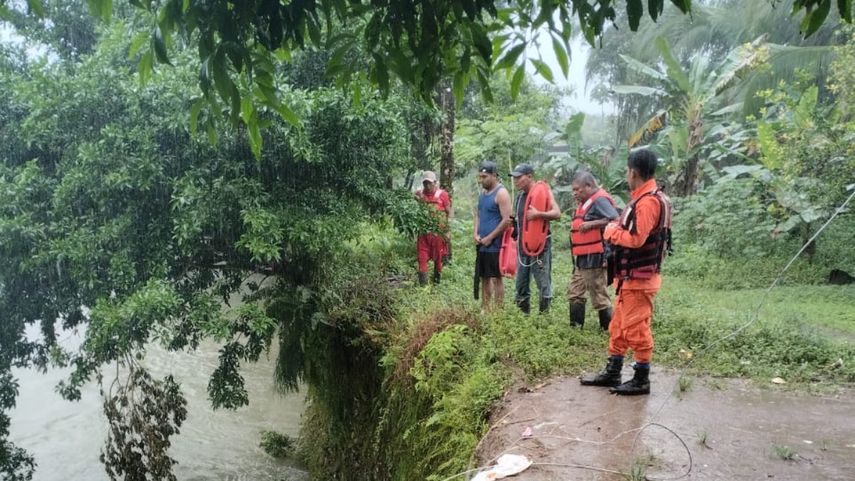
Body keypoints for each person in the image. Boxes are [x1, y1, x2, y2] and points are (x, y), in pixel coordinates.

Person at [580, 149, 672, 396]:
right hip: (629, 278)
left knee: (637, 329)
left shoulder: (649, 201)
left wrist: (611, 232)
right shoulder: (645, 197)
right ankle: (613, 370)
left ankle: (642, 378)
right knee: (618, 327)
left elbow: (637, 238)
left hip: (640, 279)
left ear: (633, 172)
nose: (626, 174)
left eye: (627, 170)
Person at [568, 171, 619, 329]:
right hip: (583, 256)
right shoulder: (584, 202)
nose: (575, 193)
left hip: (597, 255)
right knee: (575, 291)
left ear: (589, 186)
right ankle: (575, 329)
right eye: (574, 190)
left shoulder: (600, 200)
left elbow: (614, 219)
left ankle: (608, 330)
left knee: (599, 294)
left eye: (578, 190)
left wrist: (592, 224)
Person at [510, 163, 561, 314]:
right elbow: (521, 221)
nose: (516, 181)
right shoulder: (519, 197)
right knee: (521, 283)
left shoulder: (543, 192)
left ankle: (544, 317)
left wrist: (539, 214)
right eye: (515, 178)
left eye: (519, 177)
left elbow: (557, 213)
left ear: (530, 176)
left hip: (540, 245)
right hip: (522, 245)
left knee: (543, 282)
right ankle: (522, 316)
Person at [474, 161, 512, 312]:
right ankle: (485, 308)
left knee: (497, 277)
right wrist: (475, 233)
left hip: (496, 244)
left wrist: (490, 237)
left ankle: (498, 310)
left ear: (494, 176)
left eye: (485, 176)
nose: (482, 180)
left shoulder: (501, 193)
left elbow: (507, 220)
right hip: (482, 243)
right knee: (484, 277)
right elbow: (478, 214)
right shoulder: (482, 194)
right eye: (480, 177)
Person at [415, 170, 453, 285]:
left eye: (429, 183)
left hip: (438, 234)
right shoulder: (419, 194)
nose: (427, 186)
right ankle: (423, 288)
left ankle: (437, 284)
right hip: (423, 234)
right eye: (425, 183)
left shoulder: (442, 195)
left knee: (438, 259)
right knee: (421, 259)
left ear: (435, 182)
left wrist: (448, 231)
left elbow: (449, 213)